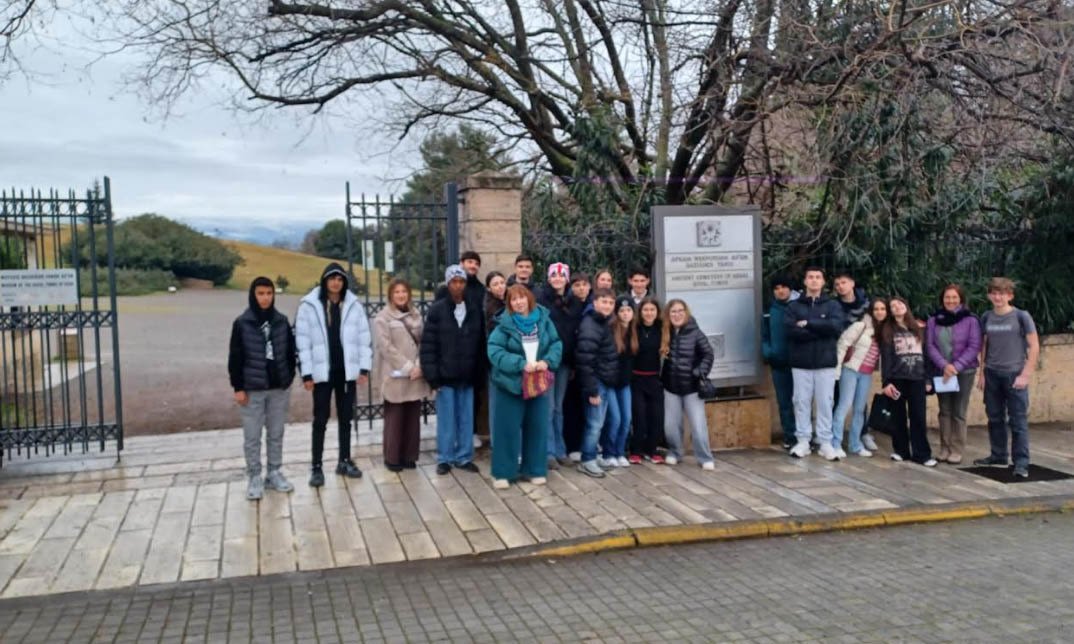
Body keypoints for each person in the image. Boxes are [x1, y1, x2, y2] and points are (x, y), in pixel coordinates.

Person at [296, 263, 373, 486]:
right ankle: (316, 466)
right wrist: (306, 374)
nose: (336, 283)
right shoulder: (310, 306)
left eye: (340, 279)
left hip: (345, 372)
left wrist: (363, 368)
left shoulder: (353, 305)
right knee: (320, 419)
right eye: (332, 278)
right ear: (324, 280)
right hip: (322, 372)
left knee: (346, 418)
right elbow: (302, 341)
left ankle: (344, 460)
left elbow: (364, 338)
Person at [487, 285, 563, 488]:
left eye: (521, 298)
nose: (518, 302)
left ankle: (534, 469)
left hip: (538, 383)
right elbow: (494, 350)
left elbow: (556, 343)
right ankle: (503, 473)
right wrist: (520, 364)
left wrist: (547, 361)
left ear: (529, 299)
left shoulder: (544, 320)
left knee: (537, 427)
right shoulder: (504, 324)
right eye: (513, 299)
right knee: (507, 428)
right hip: (510, 383)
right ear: (509, 304)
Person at [228, 276, 297, 500]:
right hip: (252, 388)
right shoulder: (242, 323)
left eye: (269, 293)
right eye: (260, 293)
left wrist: (288, 378)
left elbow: (290, 352)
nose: (265, 298)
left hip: (278, 388)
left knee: (276, 432)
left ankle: (274, 471)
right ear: (253, 295)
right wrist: (238, 387)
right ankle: (254, 475)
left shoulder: (281, 321)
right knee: (252, 435)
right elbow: (235, 357)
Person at [421, 264, 484, 476]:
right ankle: (445, 458)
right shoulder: (437, 310)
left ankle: (464, 456)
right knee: (446, 420)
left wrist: (479, 372)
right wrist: (432, 376)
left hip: (467, 374)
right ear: (448, 284)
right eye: (454, 282)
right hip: (445, 375)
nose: (458, 286)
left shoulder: (474, 309)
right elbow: (428, 345)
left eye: (461, 282)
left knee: (466, 419)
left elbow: (480, 343)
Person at [973, 277, 1039, 478]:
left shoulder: (1021, 316)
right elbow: (984, 345)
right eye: (994, 293)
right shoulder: (986, 317)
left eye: (1001, 293)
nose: (997, 297)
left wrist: (1025, 375)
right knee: (994, 417)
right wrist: (982, 373)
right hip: (992, 373)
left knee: (1017, 420)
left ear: (1010, 295)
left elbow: (1034, 346)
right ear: (989, 296)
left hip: (1014, 374)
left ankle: (1021, 462)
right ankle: (998, 455)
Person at [784, 267, 845, 460]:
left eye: (818, 277)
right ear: (804, 281)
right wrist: (820, 330)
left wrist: (808, 324)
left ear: (823, 282)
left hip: (825, 362)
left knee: (825, 402)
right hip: (801, 362)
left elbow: (835, 327)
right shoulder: (793, 307)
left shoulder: (833, 305)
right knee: (801, 401)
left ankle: (825, 441)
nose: (814, 280)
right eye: (810, 277)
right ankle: (803, 441)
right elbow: (791, 331)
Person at [373, 278, 431, 472]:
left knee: (413, 417)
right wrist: (407, 367)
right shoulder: (383, 317)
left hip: (415, 374)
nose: (401, 295)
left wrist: (419, 365)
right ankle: (392, 457)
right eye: (397, 292)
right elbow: (385, 347)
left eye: (404, 291)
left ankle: (409, 456)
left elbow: (423, 341)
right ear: (391, 295)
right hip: (395, 374)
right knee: (395, 418)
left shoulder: (416, 315)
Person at [926, 284, 981, 465]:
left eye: (954, 297)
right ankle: (944, 447)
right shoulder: (934, 320)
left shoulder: (971, 320)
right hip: (941, 371)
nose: (950, 301)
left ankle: (957, 449)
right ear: (942, 299)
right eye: (947, 297)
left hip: (964, 371)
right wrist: (944, 366)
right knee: (944, 410)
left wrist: (956, 367)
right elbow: (930, 346)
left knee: (959, 411)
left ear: (961, 299)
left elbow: (974, 346)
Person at [879, 296, 936, 467]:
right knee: (898, 416)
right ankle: (901, 451)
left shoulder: (919, 328)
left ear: (906, 306)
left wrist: (928, 379)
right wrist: (886, 382)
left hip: (917, 378)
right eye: (893, 305)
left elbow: (926, 356)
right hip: (897, 379)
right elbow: (886, 359)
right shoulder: (887, 330)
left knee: (918, 416)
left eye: (900, 303)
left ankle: (922, 454)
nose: (897, 307)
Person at [537, 262, 584, 469]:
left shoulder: (574, 302)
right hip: (548, 360)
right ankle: (548, 452)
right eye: (554, 276)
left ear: (566, 279)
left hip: (565, 361)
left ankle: (560, 450)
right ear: (549, 278)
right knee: (548, 408)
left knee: (559, 408)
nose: (557, 279)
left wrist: (573, 362)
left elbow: (575, 333)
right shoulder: (542, 299)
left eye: (561, 276)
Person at [660, 299, 716, 469]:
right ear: (668, 315)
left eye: (680, 311)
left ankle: (705, 457)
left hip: (692, 388)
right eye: (673, 312)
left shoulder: (695, 332)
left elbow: (708, 354)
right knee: (671, 426)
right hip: (671, 387)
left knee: (698, 426)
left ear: (686, 312)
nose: (677, 315)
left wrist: (700, 371)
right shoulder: (665, 332)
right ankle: (675, 452)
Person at [832, 299, 887, 458]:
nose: (879, 312)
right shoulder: (860, 326)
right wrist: (837, 370)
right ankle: (835, 443)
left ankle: (855, 445)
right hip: (851, 370)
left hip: (866, 374)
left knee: (859, 409)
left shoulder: (885, 331)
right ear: (871, 311)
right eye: (876, 309)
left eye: (883, 309)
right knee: (844, 406)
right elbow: (842, 344)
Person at [574, 288, 620, 477]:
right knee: (594, 423)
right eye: (604, 302)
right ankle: (587, 460)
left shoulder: (602, 322)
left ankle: (593, 454)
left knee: (599, 422)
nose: (608, 306)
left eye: (611, 303)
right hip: (596, 382)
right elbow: (585, 360)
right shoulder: (590, 325)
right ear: (595, 303)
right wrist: (592, 390)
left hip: (604, 380)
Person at [761, 274, 798, 450]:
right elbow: (764, 335)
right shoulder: (769, 309)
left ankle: (804, 436)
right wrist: (769, 352)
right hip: (778, 363)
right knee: (784, 403)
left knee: (802, 402)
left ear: (790, 288)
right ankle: (790, 436)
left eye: (783, 287)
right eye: (776, 288)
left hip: (799, 363)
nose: (780, 291)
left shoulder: (800, 306)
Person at [602, 296, 637, 467]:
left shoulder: (634, 332)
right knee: (614, 418)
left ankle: (620, 451)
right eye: (622, 310)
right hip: (610, 382)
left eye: (628, 310)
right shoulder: (610, 330)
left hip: (625, 383)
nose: (625, 313)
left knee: (626, 419)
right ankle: (609, 453)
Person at [629, 297, 665, 463]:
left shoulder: (662, 328)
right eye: (645, 310)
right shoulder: (634, 328)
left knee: (656, 417)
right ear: (640, 312)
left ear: (657, 312)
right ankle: (636, 450)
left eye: (652, 310)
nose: (649, 313)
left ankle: (652, 450)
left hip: (655, 379)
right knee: (639, 417)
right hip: (637, 378)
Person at [564, 272, 592, 459]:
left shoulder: (595, 304)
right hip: (573, 364)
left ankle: (588, 444)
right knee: (572, 406)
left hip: (591, 365)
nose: (581, 288)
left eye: (584, 284)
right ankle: (572, 445)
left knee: (589, 406)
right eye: (577, 285)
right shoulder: (567, 307)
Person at [484, 271, 507, 335]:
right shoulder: (488, 307)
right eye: (495, 284)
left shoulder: (512, 297)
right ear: (488, 288)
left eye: (502, 283)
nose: (500, 286)